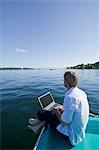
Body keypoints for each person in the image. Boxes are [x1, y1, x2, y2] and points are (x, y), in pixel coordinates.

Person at [28, 71, 89, 146]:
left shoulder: (70, 97)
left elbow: (65, 122)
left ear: (65, 82)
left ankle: (35, 123)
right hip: (79, 131)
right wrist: (63, 109)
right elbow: (74, 110)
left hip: (71, 135)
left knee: (44, 112)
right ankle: (37, 127)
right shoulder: (81, 92)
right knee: (51, 113)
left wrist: (57, 111)